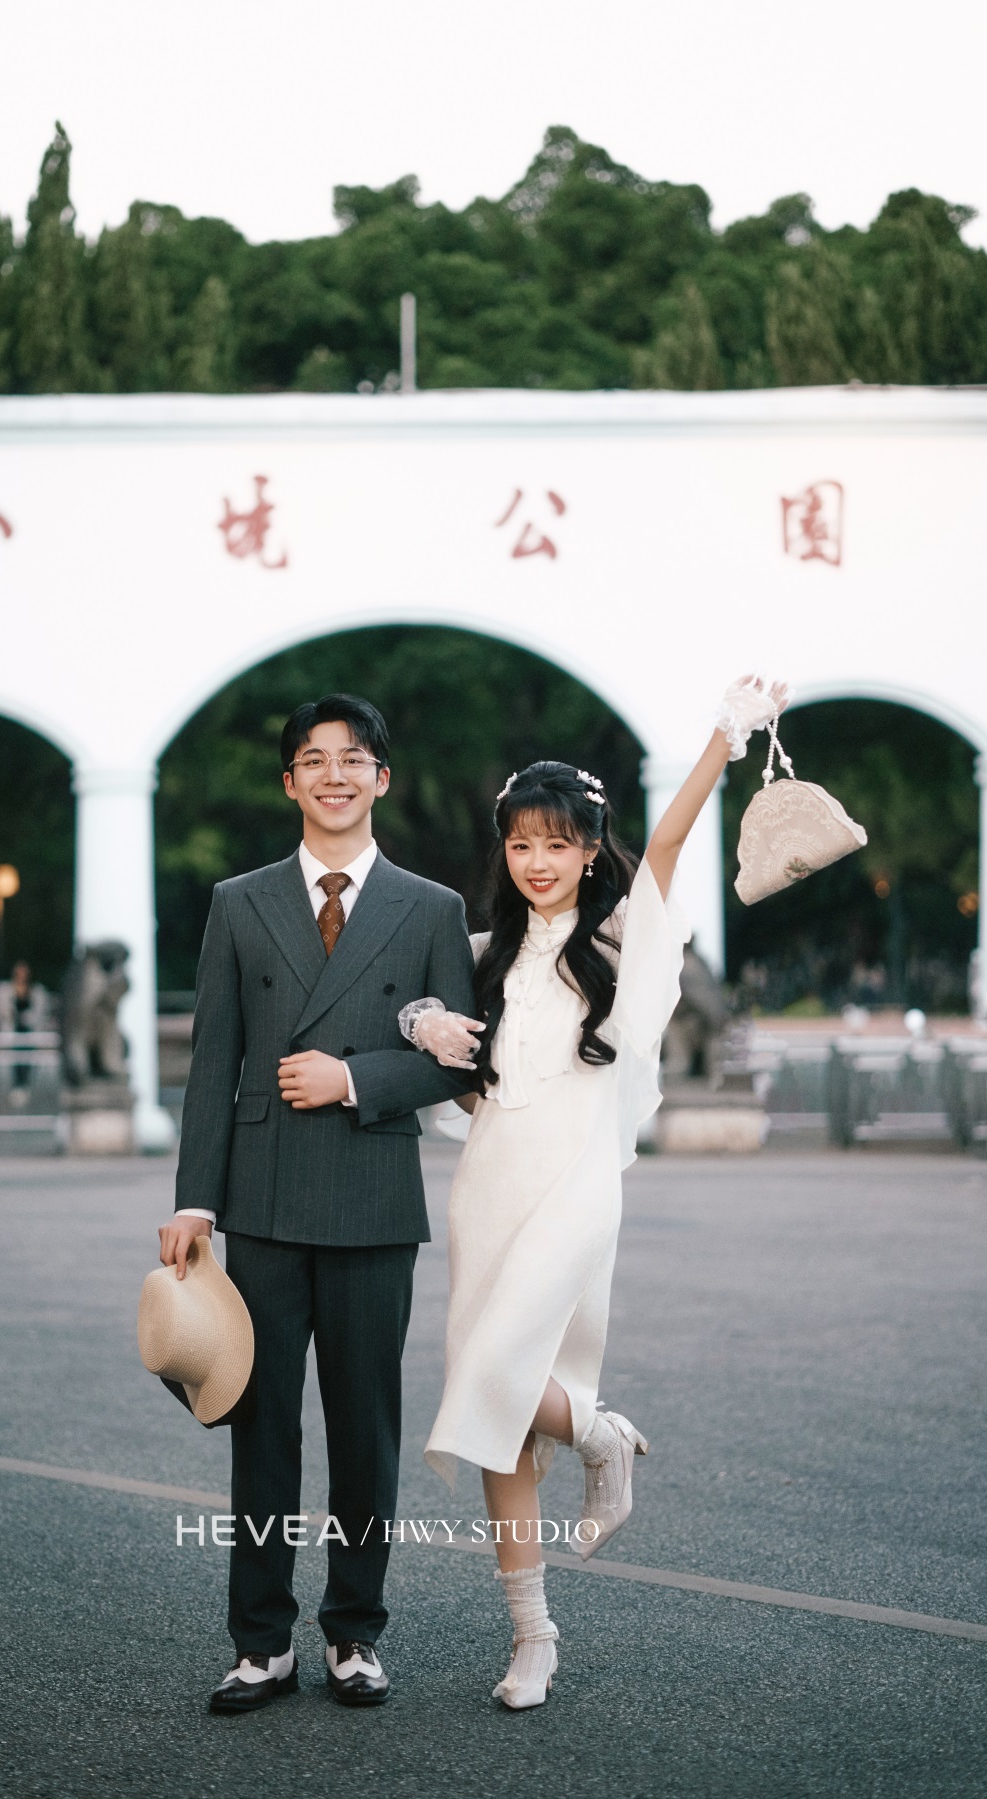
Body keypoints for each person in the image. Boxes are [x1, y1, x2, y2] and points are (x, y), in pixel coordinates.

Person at [400, 674, 789, 1710]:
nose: (537, 861)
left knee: (489, 1374)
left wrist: (723, 738)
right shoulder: (481, 958)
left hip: (575, 1187)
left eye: (558, 843)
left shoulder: (621, 944)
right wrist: (420, 1025)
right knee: (497, 1416)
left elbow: (668, 844)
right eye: (520, 843)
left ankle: (599, 1434)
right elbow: (431, 1045)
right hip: (488, 1191)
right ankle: (533, 1635)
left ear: (587, 849)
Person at [157, 694, 478, 1714]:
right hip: (259, 1199)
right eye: (314, 759)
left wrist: (353, 1078)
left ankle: (354, 1632)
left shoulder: (431, 908)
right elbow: (213, 1062)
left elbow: (462, 1062)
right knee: (261, 1426)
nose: (334, 774)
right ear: (290, 781)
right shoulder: (239, 900)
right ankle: (260, 1643)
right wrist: (195, 1201)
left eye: (353, 759)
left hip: (374, 1198)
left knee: (365, 1427)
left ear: (382, 778)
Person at [0, 960, 50, 1101]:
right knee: (13, 1060)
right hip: (12, 1032)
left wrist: (27, 1019)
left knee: (29, 1059)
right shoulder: (5, 990)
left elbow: (40, 1014)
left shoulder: (37, 991)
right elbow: (1, 1012)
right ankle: (14, 1085)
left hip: (30, 1033)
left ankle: (26, 1085)